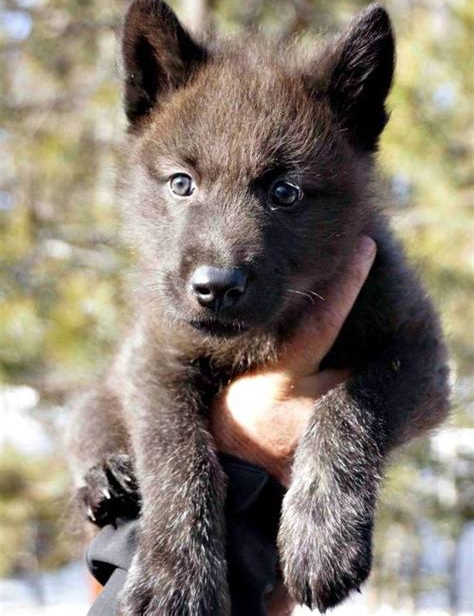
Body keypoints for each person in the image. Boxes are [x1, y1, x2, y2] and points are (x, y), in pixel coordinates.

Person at [86, 237, 377, 616]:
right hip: (178, 512)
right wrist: (179, 543)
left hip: (261, 566)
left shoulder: (371, 270)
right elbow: (147, 374)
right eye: (181, 183)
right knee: (97, 411)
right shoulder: (170, 301)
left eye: (284, 193)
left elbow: (420, 365)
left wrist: (341, 444)